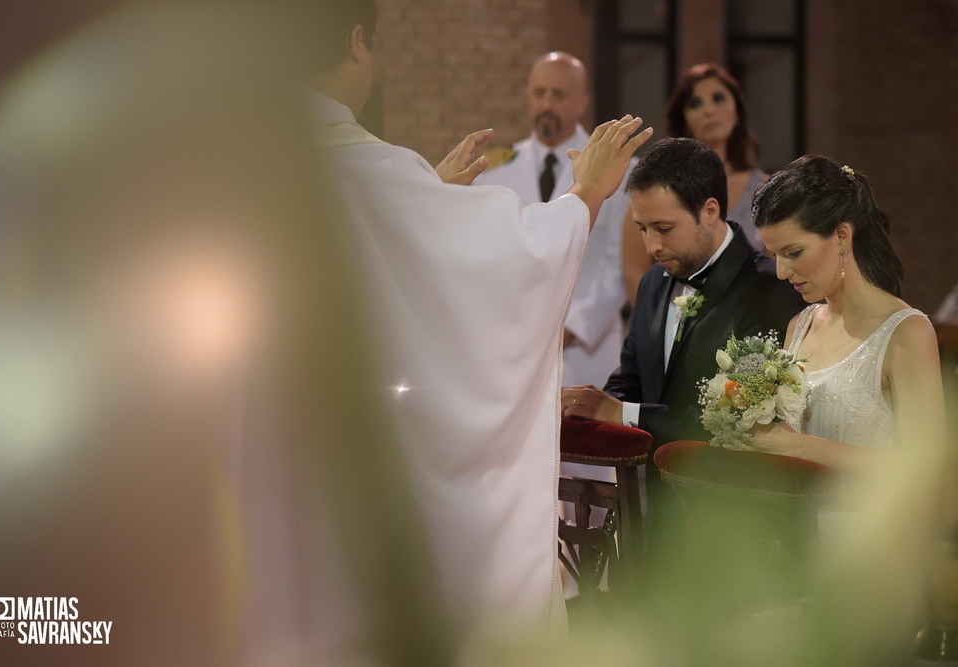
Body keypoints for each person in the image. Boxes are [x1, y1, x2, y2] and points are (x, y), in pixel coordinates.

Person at [306, 0, 653, 648]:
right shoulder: (367, 166)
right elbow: (503, 254)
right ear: (358, 43)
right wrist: (586, 197)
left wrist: (426, 200)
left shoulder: (253, 159)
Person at [561, 138, 801, 511]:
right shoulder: (653, 283)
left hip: (738, 517)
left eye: (663, 227)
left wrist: (620, 413)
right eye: (642, 228)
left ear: (709, 210)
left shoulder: (770, 290)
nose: (652, 245)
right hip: (655, 509)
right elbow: (632, 378)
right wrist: (586, 406)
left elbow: (740, 422)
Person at [749, 155, 945, 470]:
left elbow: (926, 473)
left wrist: (801, 447)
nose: (782, 271)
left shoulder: (906, 332)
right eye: (772, 255)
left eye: (793, 252)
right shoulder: (800, 326)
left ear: (841, 236)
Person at [475, 52, 635, 388]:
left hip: (585, 348)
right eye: (539, 93)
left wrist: (571, 325)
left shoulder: (617, 166)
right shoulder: (495, 170)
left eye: (559, 95)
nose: (546, 103)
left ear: (582, 102)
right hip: (514, 344)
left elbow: (620, 264)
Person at [621, 63, 767, 306]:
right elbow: (635, 271)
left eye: (718, 98)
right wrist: (665, 331)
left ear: (737, 110)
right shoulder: (655, 192)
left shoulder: (765, 190)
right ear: (684, 119)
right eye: (695, 104)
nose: (709, 110)